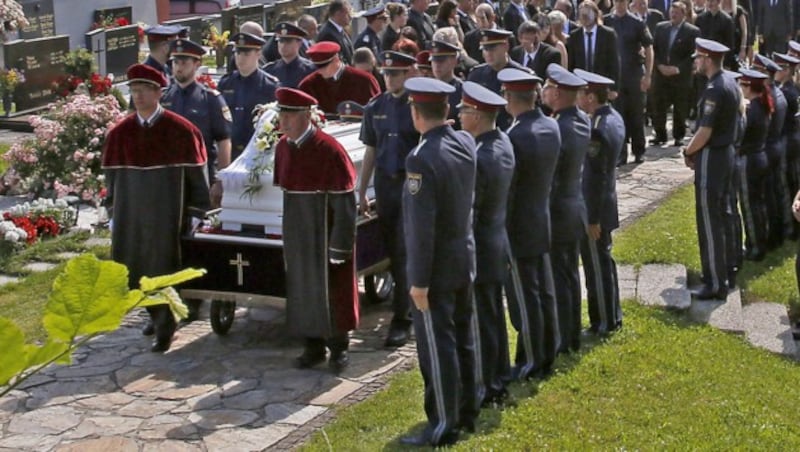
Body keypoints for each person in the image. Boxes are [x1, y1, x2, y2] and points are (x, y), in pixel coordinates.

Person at [102, 64, 210, 352]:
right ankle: (153, 312)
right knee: (135, 267)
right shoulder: (119, 134)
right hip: (132, 216)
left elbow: (198, 178)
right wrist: (112, 212)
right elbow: (111, 180)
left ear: (158, 92)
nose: (137, 96)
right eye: (133, 90)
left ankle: (166, 322)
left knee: (162, 265)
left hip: (166, 215)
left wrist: (197, 212)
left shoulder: (181, 131)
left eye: (143, 90)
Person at [399, 77, 477, 447]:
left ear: (416, 113)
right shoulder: (463, 142)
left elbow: (420, 228)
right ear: (446, 110)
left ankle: (445, 422)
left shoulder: (420, 157)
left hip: (436, 269)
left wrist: (418, 281)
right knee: (463, 338)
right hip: (463, 257)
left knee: (437, 347)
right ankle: (467, 409)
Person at [272, 87, 359, 374]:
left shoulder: (329, 149)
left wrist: (340, 246)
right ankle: (312, 345)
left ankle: (339, 348)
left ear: (306, 116)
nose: (283, 122)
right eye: (281, 114)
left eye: (290, 115)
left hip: (324, 232)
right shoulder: (283, 148)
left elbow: (345, 203)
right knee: (302, 288)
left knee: (332, 290)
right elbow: (285, 193)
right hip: (298, 231)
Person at [498, 67, 560, 380]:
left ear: (510, 97)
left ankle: (532, 361)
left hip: (519, 226)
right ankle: (546, 349)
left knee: (525, 297)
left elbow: (509, 187)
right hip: (541, 217)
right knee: (542, 292)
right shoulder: (551, 126)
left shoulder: (514, 136)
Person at [457, 81, 514, 406]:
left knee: (483, 319)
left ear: (477, 115)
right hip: (497, 241)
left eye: (464, 111)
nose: (460, 116)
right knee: (493, 316)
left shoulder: (479, 157)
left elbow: (472, 210)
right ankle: (499, 377)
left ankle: (487, 385)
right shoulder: (502, 142)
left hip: (482, 245)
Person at [358, 51, 420, 348]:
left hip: (410, 183)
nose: (390, 78)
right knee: (393, 252)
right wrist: (361, 189)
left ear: (409, 73)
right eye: (386, 73)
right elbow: (371, 148)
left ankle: (402, 318)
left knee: (404, 250)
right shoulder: (375, 107)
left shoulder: (418, 104)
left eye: (395, 73)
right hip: (385, 184)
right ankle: (402, 303)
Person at [681, 38, 741, 299]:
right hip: (726, 154)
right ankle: (726, 270)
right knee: (723, 214)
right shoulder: (730, 81)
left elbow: (705, 131)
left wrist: (688, 150)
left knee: (709, 220)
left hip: (713, 156)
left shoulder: (715, 88)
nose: (695, 61)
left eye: (698, 58)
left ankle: (716, 282)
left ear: (707, 59)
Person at [541, 63, 590, 360]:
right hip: (575, 206)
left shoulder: (558, 128)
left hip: (558, 210)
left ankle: (563, 337)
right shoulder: (581, 119)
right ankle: (571, 334)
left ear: (557, 92)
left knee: (560, 277)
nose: (543, 92)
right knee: (569, 274)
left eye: (547, 87)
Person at [575, 68, 626, 342]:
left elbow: (594, 178)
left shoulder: (597, 130)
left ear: (591, 97)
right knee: (603, 264)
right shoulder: (613, 118)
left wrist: (591, 218)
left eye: (582, 93)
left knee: (597, 267)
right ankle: (611, 316)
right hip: (606, 203)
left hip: (597, 209)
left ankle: (604, 321)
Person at [162, 38, 232, 208]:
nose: (179, 67)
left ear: (196, 64)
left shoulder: (210, 99)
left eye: (184, 62)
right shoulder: (164, 98)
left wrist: (220, 181)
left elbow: (223, 141)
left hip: (201, 177)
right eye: (175, 62)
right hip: (168, 177)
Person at [604, 0, 653, 165]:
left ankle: (639, 150)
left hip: (633, 74)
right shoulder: (607, 21)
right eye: (617, 1)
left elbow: (648, 48)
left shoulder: (637, 23)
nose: (620, 4)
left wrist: (647, 76)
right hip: (615, 76)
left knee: (636, 114)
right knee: (619, 114)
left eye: (623, 1)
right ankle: (621, 153)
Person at [218, 32, 279, 161]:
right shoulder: (226, 83)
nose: (240, 58)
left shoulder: (270, 86)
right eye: (238, 53)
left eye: (246, 54)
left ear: (258, 54)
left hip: (258, 152)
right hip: (230, 151)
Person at [752, 54, 792, 251]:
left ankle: (769, 238)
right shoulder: (778, 94)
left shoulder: (768, 98)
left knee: (766, 198)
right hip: (775, 147)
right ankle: (777, 235)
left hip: (766, 149)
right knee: (774, 195)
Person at [651, 0, 699, 146]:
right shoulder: (660, 28)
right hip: (661, 74)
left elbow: (693, 54)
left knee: (680, 107)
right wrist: (659, 65)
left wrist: (678, 68)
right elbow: (655, 49)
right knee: (658, 105)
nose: (673, 15)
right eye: (672, 13)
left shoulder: (692, 31)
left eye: (677, 13)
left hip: (680, 76)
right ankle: (660, 134)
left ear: (684, 15)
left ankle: (678, 135)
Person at [735, 68, 771, 262]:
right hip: (760, 157)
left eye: (742, 84)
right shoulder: (762, 105)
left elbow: (739, 132)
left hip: (749, 160)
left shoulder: (751, 110)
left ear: (748, 87)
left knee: (749, 205)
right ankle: (760, 242)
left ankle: (755, 247)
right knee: (758, 204)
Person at [468, 28, 531, 130]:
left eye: (493, 49)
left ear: (506, 46)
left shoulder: (523, 75)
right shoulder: (476, 75)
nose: (488, 53)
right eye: (485, 49)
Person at [298, 41, 381, 115]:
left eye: (324, 65)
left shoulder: (364, 81)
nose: (320, 70)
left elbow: (378, 113)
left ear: (336, 59)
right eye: (316, 66)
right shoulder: (307, 85)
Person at [566, 1, 620, 92]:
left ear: (595, 14)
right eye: (582, 15)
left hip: (602, 84)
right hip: (581, 85)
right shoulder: (574, 35)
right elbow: (571, 64)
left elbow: (614, 63)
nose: (585, 17)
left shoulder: (608, 34)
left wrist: (614, 89)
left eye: (588, 14)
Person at [775, 52, 800, 242]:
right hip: (794, 140)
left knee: (785, 185)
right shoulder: (793, 90)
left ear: (786, 71)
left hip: (787, 141)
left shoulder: (785, 92)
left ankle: (789, 228)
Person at [263, 22, 316, 89]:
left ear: (299, 43)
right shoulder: (269, 70)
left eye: (288, 41)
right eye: (281, 41)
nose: (283, 45)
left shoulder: (311, 70)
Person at [431, 39, 466, 128]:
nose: (437, 65)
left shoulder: (463, 91)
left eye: (441, 61)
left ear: (454, 61)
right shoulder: (427, 89)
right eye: (434, 60)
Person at [317, 0, 355, 65]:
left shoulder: (341, 30)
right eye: (347, 13)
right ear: (338, 14)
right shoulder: (328, 34)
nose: (350, 17)